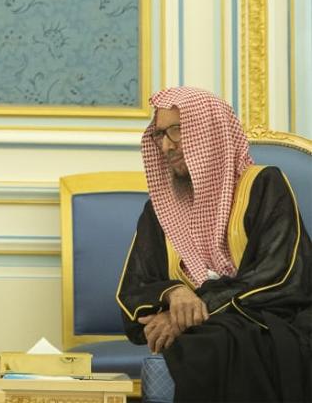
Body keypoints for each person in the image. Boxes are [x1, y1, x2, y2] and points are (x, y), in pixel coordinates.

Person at [117, 86, 312, 403]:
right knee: (206, 339)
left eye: (176, 130)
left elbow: (280, 275)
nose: (166, 146)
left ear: (208, 132)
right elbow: (132, 293)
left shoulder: (263, 185)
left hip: (269, 319)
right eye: (160, 135)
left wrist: (191, 309)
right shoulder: (160, 209)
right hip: (208, 329)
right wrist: (174, 294)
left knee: (209, 341)